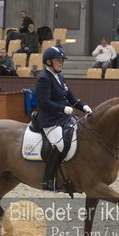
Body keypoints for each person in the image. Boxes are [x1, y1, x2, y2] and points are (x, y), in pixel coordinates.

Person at [35, 46, 92, 190]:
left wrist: (84, 106)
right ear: (48, 62)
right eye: (58, 61)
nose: (61, 63)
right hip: (49, 119)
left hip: (63, 118)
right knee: (60, 145)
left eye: (61, 61)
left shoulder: (60, 77)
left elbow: (70, 97)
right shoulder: (43, 78)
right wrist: (63, 108)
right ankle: (47, 179)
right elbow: (44, 102)